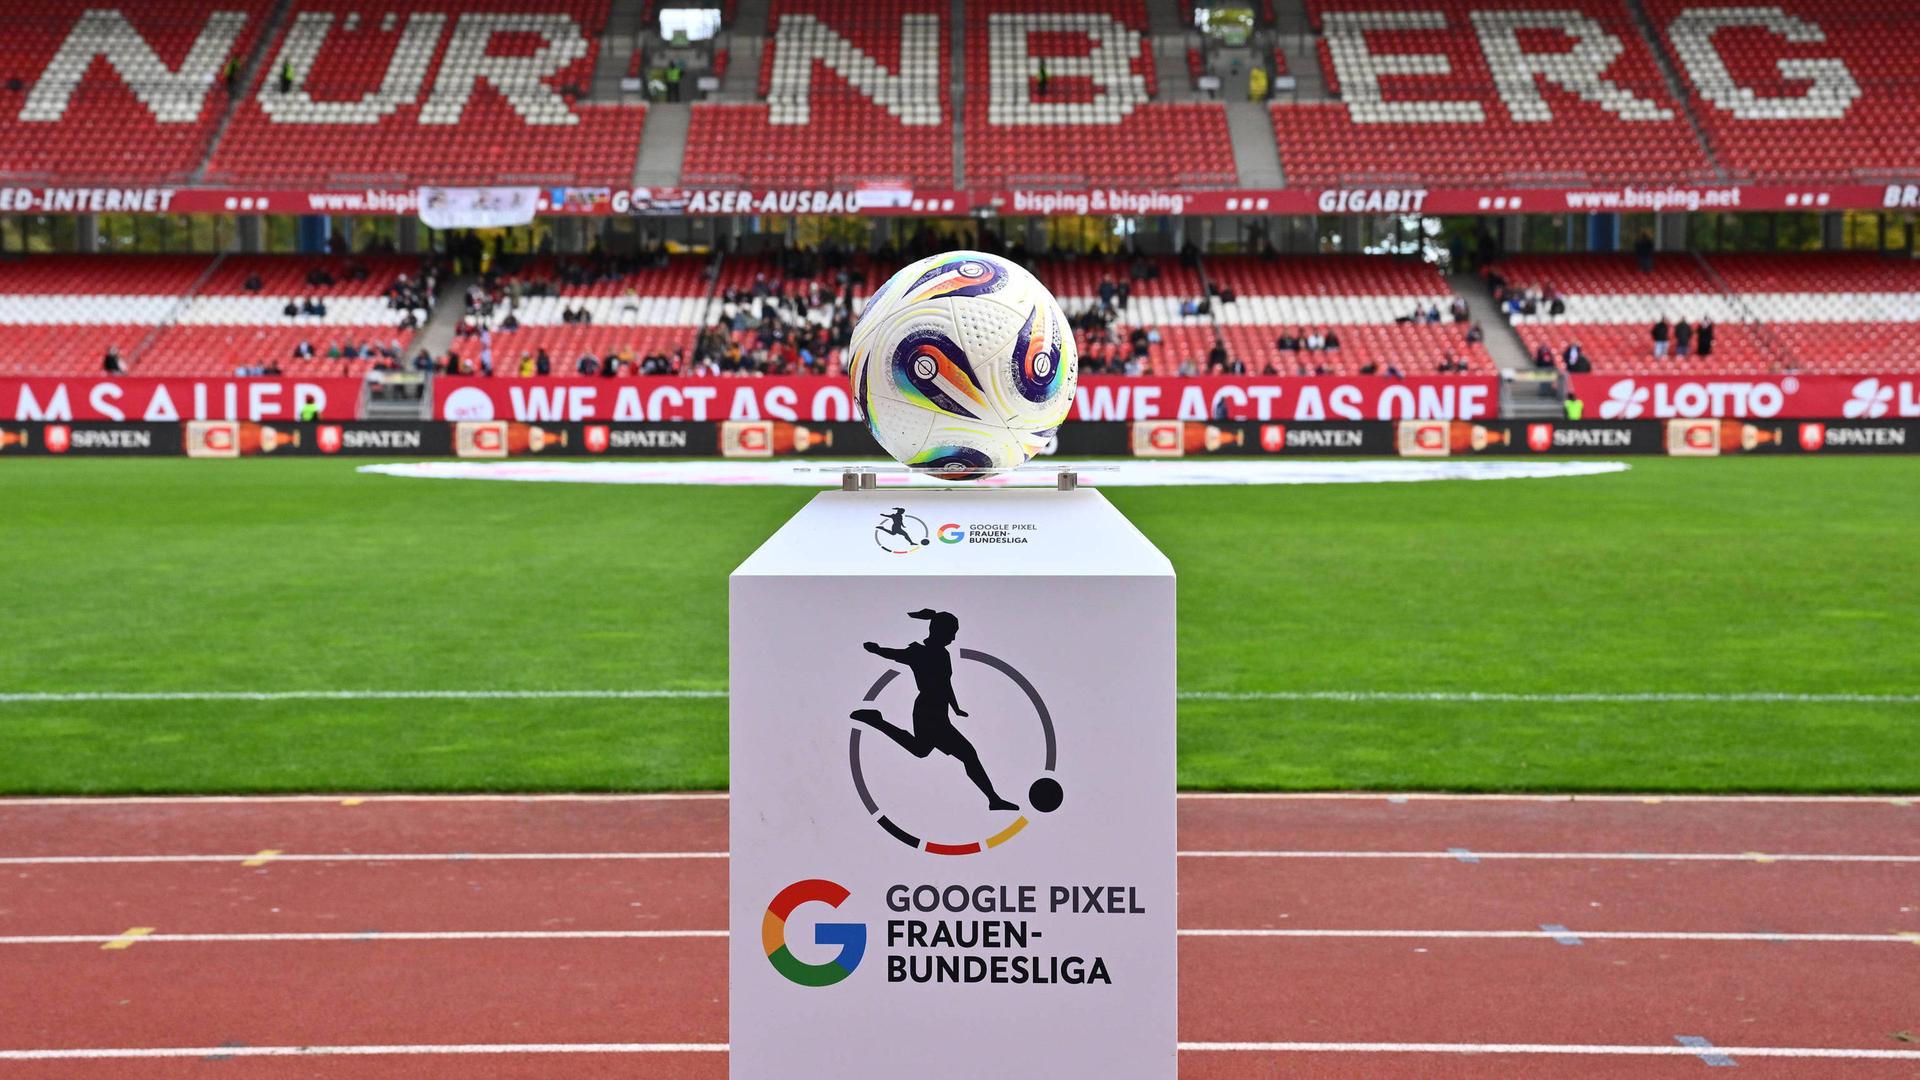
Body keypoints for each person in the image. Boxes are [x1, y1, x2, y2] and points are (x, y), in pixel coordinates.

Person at [851, 609, 1018, 811]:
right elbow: (895, 654)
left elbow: (946, 684)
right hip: (927, 710)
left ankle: (876, 721)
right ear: (940, 631)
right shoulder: (918, 653)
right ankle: (994, 799)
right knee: (966, 754)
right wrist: (877, 650)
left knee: (922, 750)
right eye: (952, 633)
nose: (954, 638)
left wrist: (956, 708)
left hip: (939, 711)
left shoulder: (944, 655)